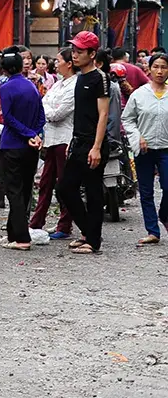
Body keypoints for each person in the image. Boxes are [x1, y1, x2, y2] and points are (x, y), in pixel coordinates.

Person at [57, 32, 112, 254]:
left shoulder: (100, 78)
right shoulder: (79, 78)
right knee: (64, 188)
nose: (75, 55)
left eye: (80, 51)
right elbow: (79, 114)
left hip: (94, 143)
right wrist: (73, 140)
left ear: (92, 54)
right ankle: (88, 232)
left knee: (93, 192)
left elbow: (103, 115)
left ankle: (93, 240)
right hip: (78, 142)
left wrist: (97, 147)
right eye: (74, 50)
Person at [0, 52, 45, 250]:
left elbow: (8, 117)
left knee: (13, 191)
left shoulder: (6, 87)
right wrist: (35, 134)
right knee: (24, 190)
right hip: (31, 146)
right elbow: (41, 115)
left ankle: (22, 238)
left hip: (13, 145)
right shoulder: (31, 86)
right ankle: (13, 233)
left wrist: (26, 134)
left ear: (4, 68)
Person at [121, 52, 168, 245]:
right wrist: (136, 136)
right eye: (156, 67)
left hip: (166, 148)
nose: (160, 71)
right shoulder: (139, 94)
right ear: (149, 69)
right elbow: (127, 119)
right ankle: (153, 231)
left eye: (164, 67)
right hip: (145, 149)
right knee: (146, 191)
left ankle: (164, 214)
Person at [30, 49, 77, 237]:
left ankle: (65, 225)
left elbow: (58, 113)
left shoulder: (75, 85)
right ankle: (37, 221)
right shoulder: (58, 84)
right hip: (51, 138)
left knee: (64, 184)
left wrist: (46, 110)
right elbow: (44, 103)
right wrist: (47, 109)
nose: (55, 64)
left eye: (58, 61)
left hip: (65, 138)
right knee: (45, 182)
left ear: (69, 63)